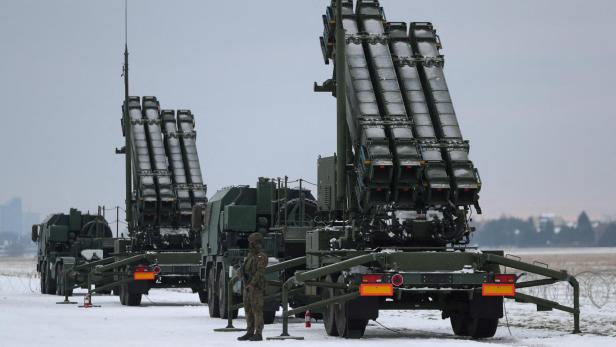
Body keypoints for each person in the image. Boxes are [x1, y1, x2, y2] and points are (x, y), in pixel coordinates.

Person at [237, 232, 268, 341]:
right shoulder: (250, 255)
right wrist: (240, 272)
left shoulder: (261, 256)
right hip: (247, 286)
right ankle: (249, 331)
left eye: (252, 242)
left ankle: (258, 333)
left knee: (257, 310)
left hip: (256, 287)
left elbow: (260, 272)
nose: (250, 244)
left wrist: (252, 284)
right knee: (248, 309)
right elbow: (245, 269)